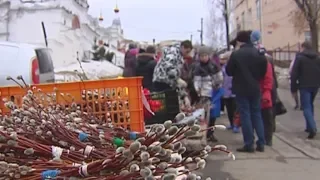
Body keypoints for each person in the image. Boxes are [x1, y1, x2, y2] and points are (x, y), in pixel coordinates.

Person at [226, 30, 267, 152]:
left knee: (245, 115)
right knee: (256, 114)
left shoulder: (236, 54)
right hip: (255, 87)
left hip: (241, 87)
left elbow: (229, 71)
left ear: (239, 41)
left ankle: (249, 143)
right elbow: (263, 71)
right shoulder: (258, 53)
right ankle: (261, 142)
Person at [191, 46, 223, 142]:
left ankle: (210, 133)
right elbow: (196, 80)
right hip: (203, 94)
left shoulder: (214, 66)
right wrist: (198, 90)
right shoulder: (197, 67)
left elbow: (219, 77)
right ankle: (203, 133)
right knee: (203, 116)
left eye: (205, 55)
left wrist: (217, 85)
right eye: (201, 56)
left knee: (213, 115)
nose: (203, 58)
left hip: (214, 93)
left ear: (208, 56)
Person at [291, 41, 320, 139]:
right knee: (310, 104)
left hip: (304, 85)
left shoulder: (300, 58)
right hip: (315, 85)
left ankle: (312, 128)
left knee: (306, 106)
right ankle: (308, 126)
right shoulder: (317, 58)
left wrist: (293, 88)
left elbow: (294, 74)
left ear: (303, 47)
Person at [219, 51, 239, 133]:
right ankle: (231, 123)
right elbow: (221, 79)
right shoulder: (223, 68)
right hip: (226, 92)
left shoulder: (236, 67)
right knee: (229, 110)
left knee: (235, 110)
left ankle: (236, 125)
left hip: (234, 91)